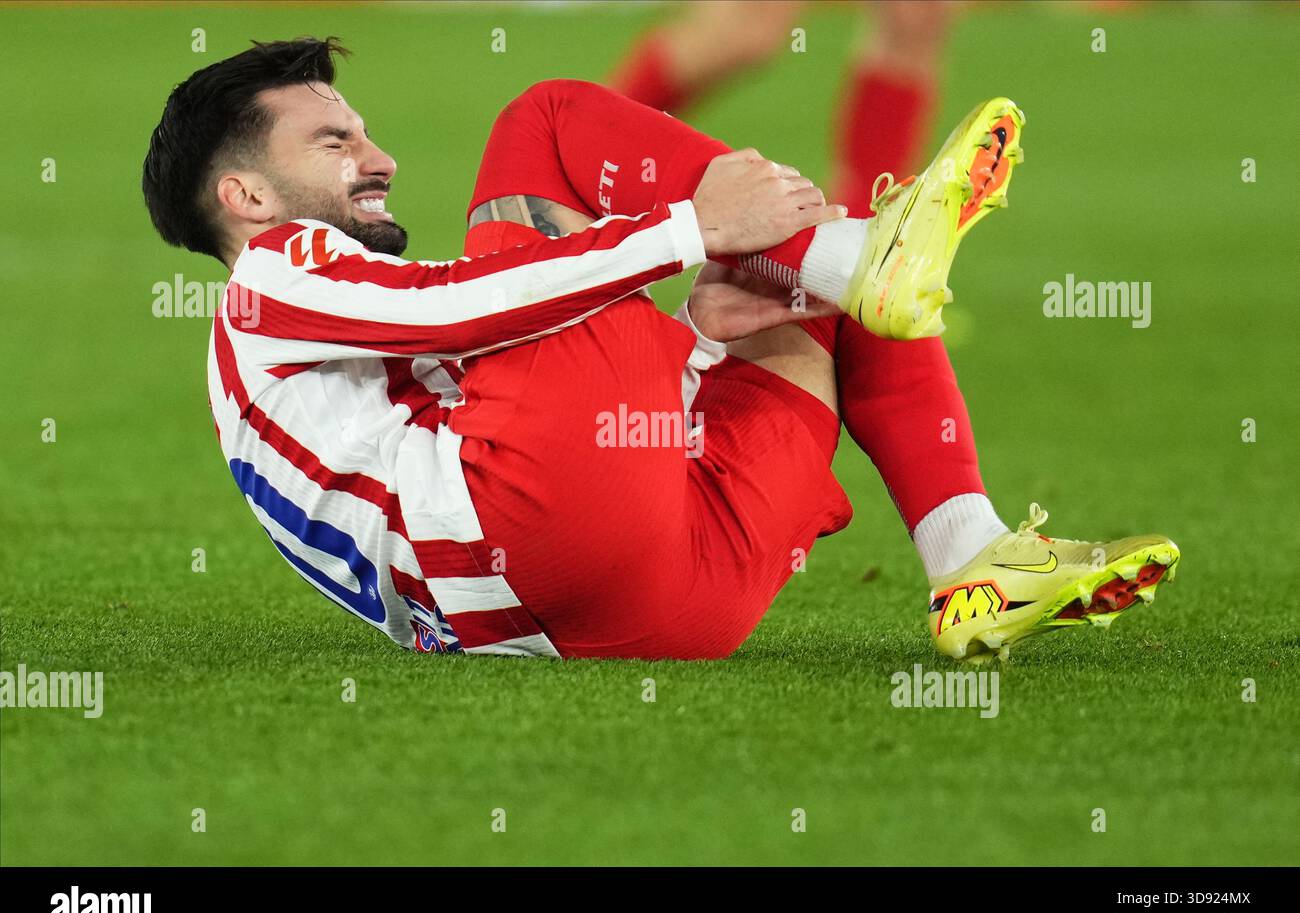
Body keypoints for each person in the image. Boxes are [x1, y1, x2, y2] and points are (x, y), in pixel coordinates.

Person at [142, 38, 1176, 664]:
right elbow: (459, 311)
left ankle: (971, 556)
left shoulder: (309, 328)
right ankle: (855, 252)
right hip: (545, 531)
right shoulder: (267, 276)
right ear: (244, 196)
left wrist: (694, 342)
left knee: (805, 292)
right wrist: (689, 227)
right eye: (335, 142)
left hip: (644, 602)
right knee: (544, 117)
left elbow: (499, 383)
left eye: (364, 133)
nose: (380, 158)